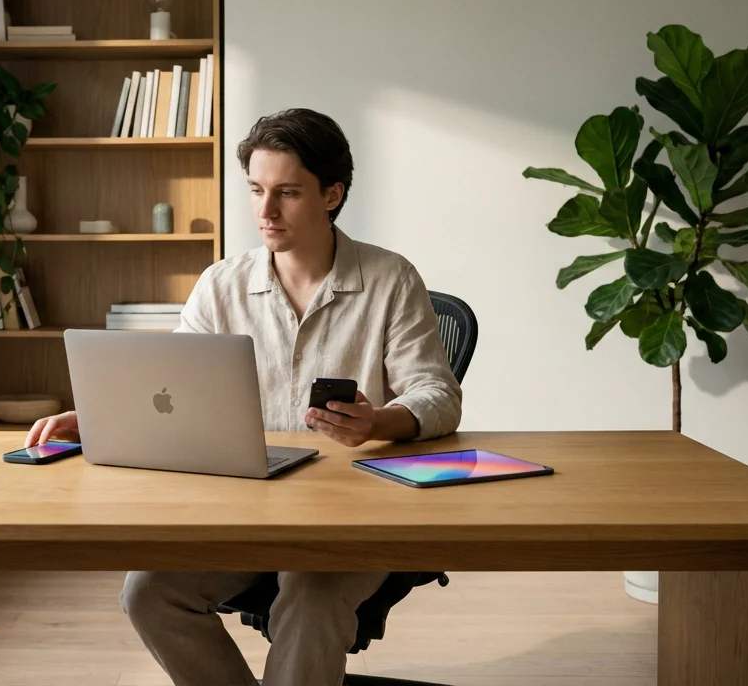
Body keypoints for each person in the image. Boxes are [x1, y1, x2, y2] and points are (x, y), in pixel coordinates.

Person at [25, 108, 463, 686]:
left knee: (308, 597)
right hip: (248, 511)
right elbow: (174, 389)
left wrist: (380, 420)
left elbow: (438, 394)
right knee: (148, 592)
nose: (265, 211)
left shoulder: (390, 279)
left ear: (332, 194)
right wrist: (98, 418)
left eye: (287, 192)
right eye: (256, 190)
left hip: (356, 516)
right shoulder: (221, 285)